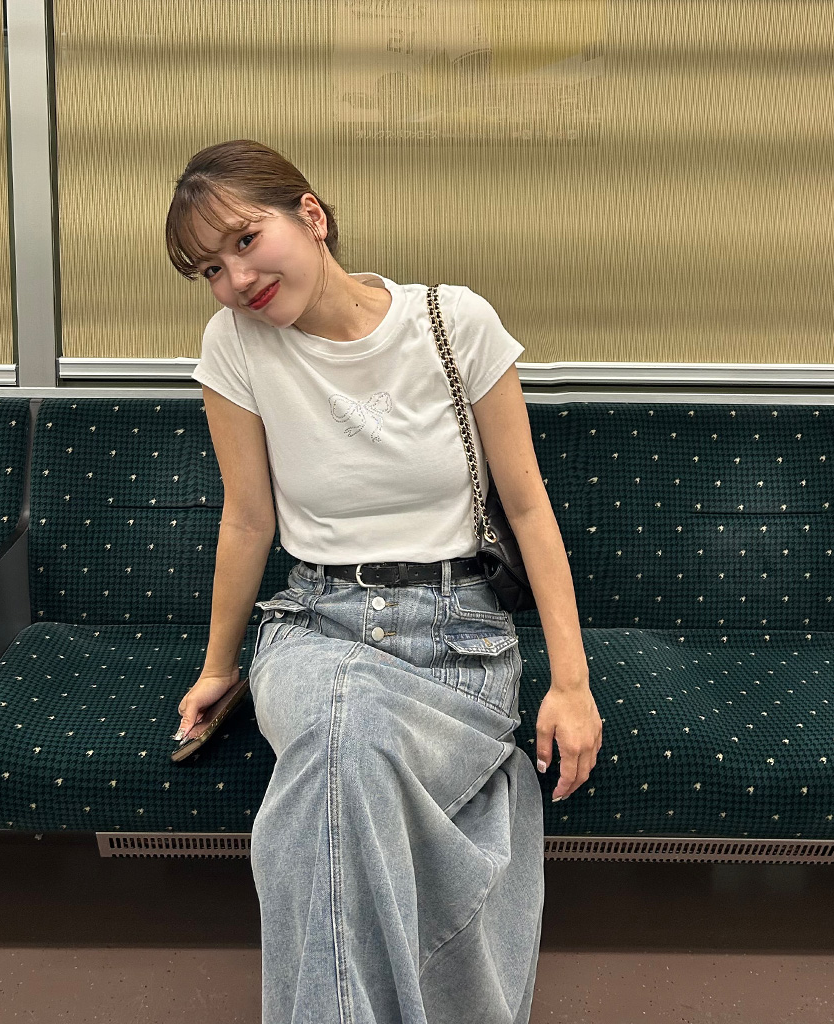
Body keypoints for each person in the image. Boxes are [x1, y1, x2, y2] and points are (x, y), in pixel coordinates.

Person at [164, 138, 602, 1024]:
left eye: (246, 240)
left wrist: (572, 683)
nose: (237, 280)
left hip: (460, 633)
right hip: (317, 624)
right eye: (210, 269)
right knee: (344, 732)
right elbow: (247, 520)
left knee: (345, 760)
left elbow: (528, 507)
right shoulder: (234, 344)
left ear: (311, 216)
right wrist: (218, 667)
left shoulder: (454, 321)